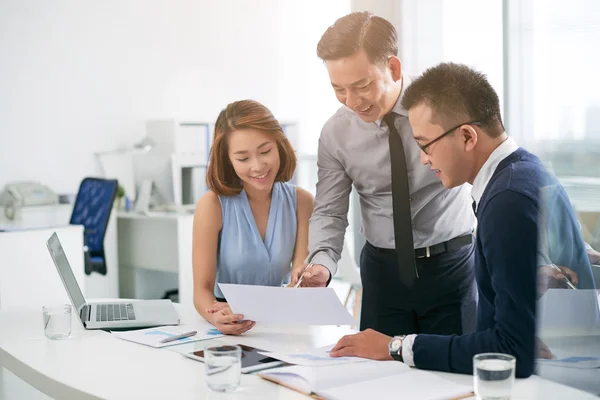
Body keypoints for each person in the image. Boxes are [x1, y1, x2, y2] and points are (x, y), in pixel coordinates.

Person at [329, 62, 592, 377]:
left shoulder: (506, 201)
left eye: (426, 145)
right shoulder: (527, 172)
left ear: (468, 136)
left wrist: (395, 347)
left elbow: (511, 352)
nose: (424, 159)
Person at [291, 11, 477, 338]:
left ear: (393, 68)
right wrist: (321, 263)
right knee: (379, 382)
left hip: (453, 269)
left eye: (362, 86)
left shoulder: (447, 106)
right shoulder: (336, 133)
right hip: (382, 275)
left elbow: (489, 178)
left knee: (453, 382)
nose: (352, 102)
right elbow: (330, 210)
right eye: (339, 89)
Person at [192, 99, 314, 335]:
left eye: (265, 151)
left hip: (280, 323)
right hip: (227, 324)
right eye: (243, 158)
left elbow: (298, 282)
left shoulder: (302, 202)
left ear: (280, 145)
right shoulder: (212, 205)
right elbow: (201, 291)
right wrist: (216, 315)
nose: (258, 166)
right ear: (228, 160)